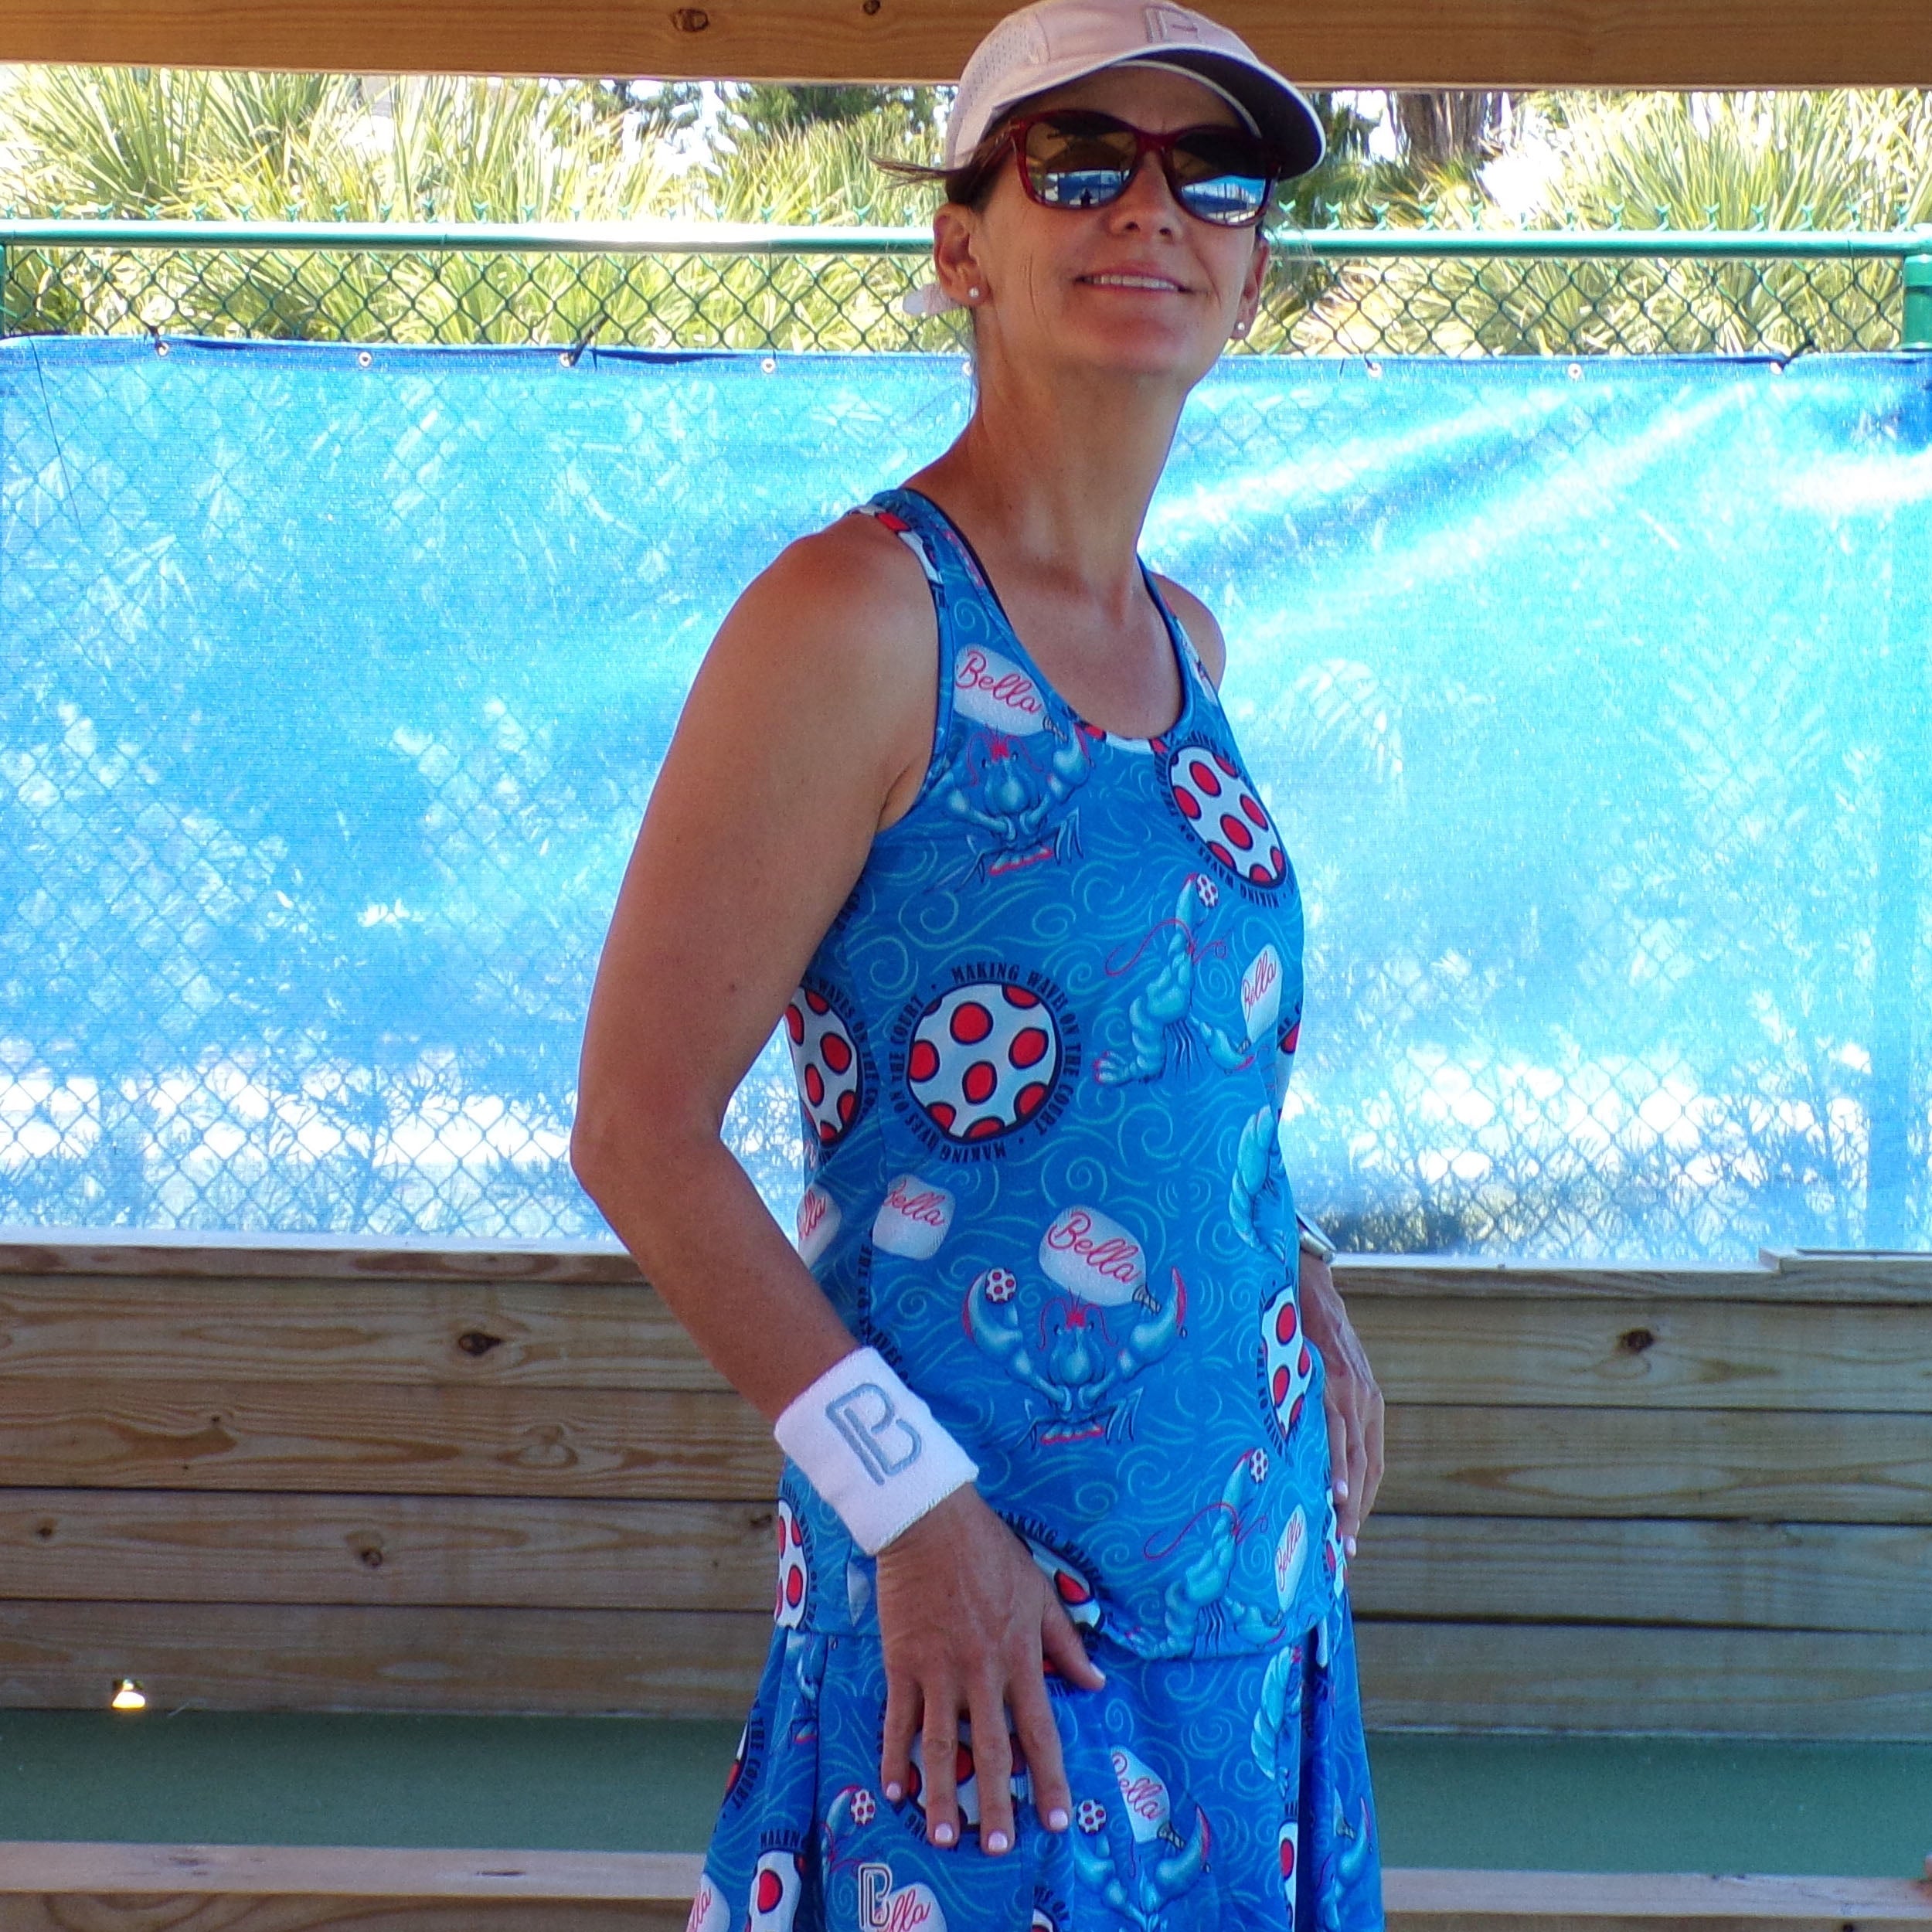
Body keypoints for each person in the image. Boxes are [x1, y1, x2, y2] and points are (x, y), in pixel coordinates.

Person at [571, 0, 1387, 1923]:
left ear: (1255, 267)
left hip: (1248, 1600)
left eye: (1216, 174)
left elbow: (1164, 1051)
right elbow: (636, 1128)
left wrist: (1298, 1269)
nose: (1151, 209)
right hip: (992, 1635)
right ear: (961, 244)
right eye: (1078, 161)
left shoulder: (1186, 637)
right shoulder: (854, 616)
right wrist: (908, 1509)